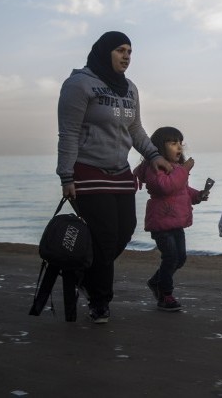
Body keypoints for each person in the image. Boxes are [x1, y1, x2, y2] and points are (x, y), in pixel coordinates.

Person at [56, 31, 171, 324]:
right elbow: (68, 133)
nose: (126, 56)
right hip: (87, 171)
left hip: (120, 172)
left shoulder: (130, 89)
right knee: (105, 235)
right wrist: (66, 176)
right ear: (104, 51)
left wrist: (155, 156)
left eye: (130, 51)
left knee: (125, 230)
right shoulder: (79, 85)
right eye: (120, 50)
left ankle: (83, 274)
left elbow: (135, 130)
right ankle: (99, 300)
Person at [134, 126, 210, 312]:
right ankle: (165, 295)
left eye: (180, 143)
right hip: (161, 221)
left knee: (180, 258)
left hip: (175, 222)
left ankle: (155, 282)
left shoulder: (176, 169)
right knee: (171, 257)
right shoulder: (155, 167)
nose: (179, 147)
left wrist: (197, 195)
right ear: (159, 146)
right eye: (173, 143)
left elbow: (182, 190)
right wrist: (184, 169)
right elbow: (166, 187)